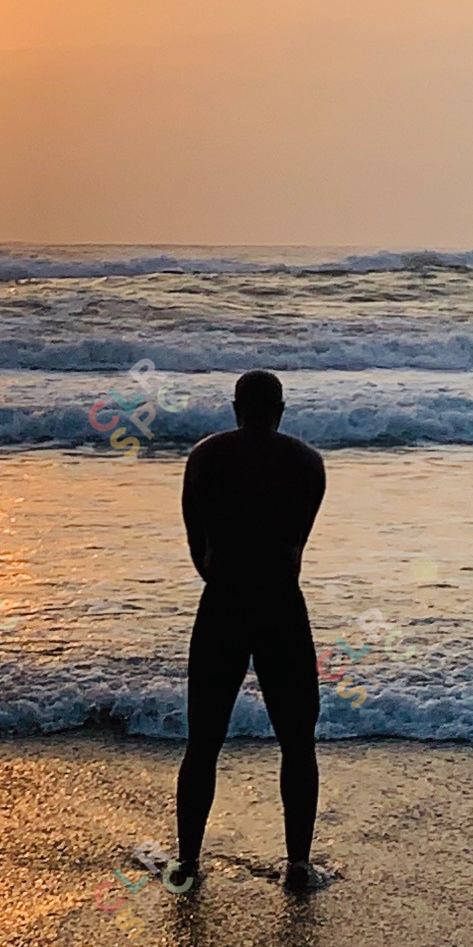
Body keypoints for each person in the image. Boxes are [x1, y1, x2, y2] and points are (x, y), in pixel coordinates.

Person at [172, 369, 329, 894]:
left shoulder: (205, 457)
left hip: (223, 600)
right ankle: (298, 864)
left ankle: (188, 861)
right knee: (297, 740)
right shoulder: (307, 463)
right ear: (281, 409)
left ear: (234, 407)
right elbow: (297, 543)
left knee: (204, 740)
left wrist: (222, 575)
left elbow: (200, 543)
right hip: (281, 601)